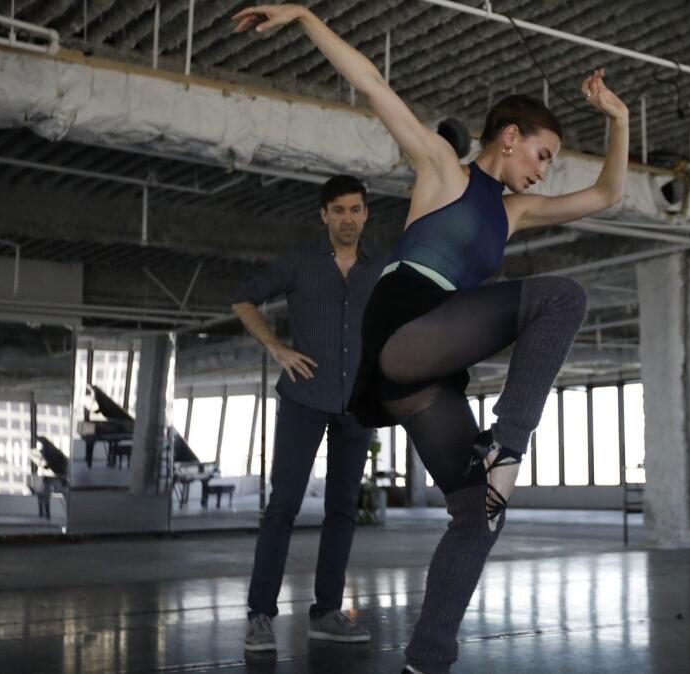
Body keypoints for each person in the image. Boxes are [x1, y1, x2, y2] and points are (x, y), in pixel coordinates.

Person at [232, 6, 629, 672]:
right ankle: (508, 441)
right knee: (562, 297)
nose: (544, 171)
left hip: (426, 370)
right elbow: (373, 85)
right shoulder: (444, 168)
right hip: (405, 323)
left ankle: (426, 657)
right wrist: (304, 16)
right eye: (542, 154)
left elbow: (610, 195)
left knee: (478, 515)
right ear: (508, 135)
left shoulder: (515, 211)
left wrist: (618, 119)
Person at [231, 174, 384, 652]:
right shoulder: (300, 263)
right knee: (283, 507)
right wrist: (276, 348)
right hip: (303, 397)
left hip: (356, 404)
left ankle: (327, 612)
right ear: (324, 215)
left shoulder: (378, 270)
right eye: (338, 210)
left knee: (342, 511)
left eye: (355, 209)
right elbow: (243, 298)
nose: (347, 219)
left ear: (365, 213)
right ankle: (260, 615)